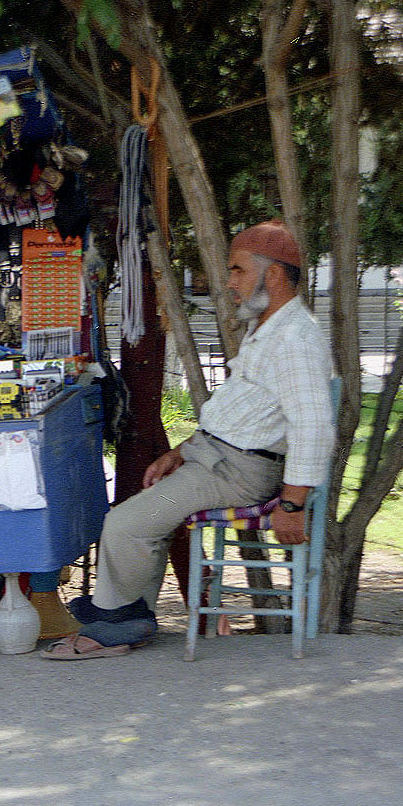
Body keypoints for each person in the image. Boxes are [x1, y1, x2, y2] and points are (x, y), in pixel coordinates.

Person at [41, 219, 335, 660]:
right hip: (218, 457)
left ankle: (113, 628)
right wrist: (180, 452)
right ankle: (128, 620)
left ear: (273, 274)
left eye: (237, 270)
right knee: (141, 515)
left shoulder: (295, 339)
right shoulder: (272, 330)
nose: (229, 282)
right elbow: (244, 415)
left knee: (123, 524)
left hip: (240, 469)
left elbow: (313, 427)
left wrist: (293, 504)